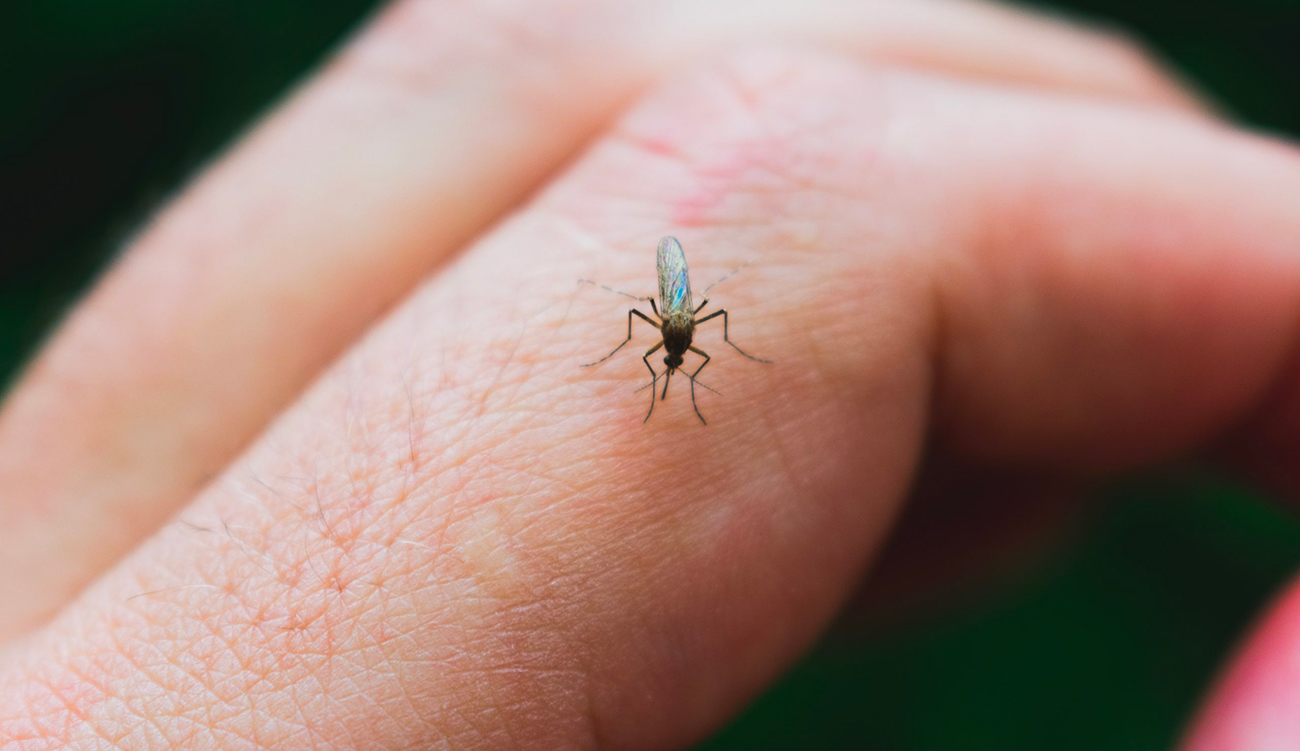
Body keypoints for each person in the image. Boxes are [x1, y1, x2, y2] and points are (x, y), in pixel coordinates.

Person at [0, 0, 1295, 747]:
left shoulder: (692, 320)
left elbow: (690, 320)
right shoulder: (664, 321)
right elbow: (664, 321)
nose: (674, 343)